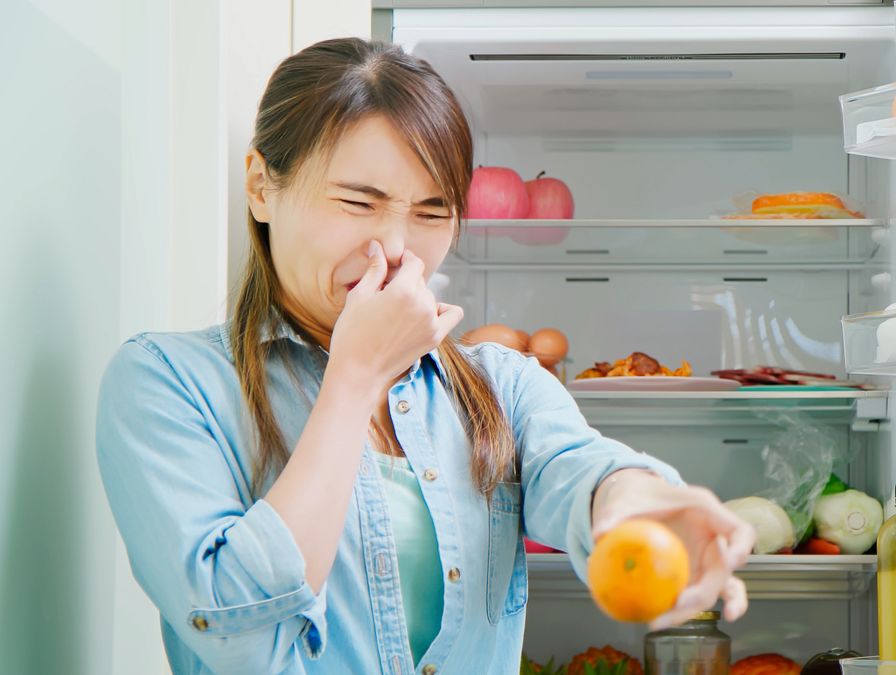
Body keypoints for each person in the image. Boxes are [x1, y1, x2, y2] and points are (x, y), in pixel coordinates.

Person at [95, 37, 753, 675]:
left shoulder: (504, 386)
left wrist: (632, 502)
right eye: (359, 202)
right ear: (262, 185)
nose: (397, 247)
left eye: (432, 213)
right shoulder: (168, 383)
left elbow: (581, 466)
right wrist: (355, 376)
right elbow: (242, 635)